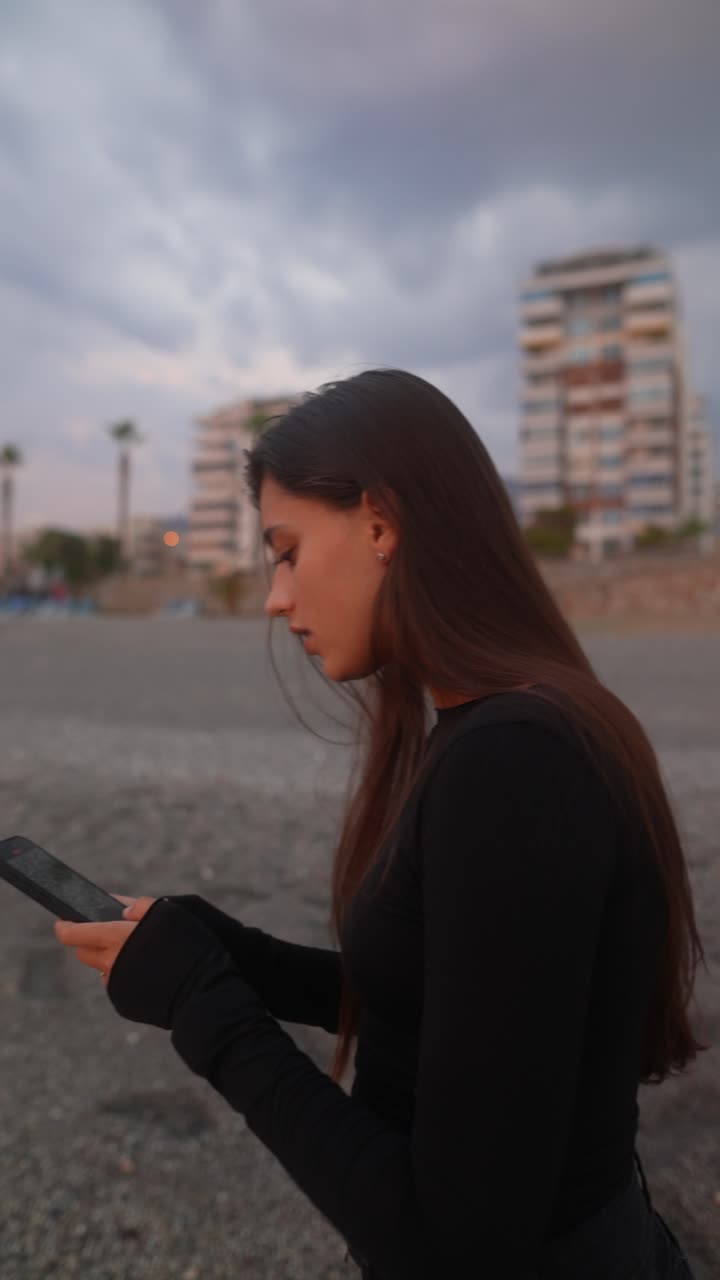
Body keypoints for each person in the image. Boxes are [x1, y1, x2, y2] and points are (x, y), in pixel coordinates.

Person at [54, 369, 705, 1277]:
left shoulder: (516, 762)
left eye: (286, 551)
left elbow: (450, 1243)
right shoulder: (500, 727)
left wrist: (206, 1009)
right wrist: (229, 953)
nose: (277, 599)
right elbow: (457, 1004)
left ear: (380, 522)